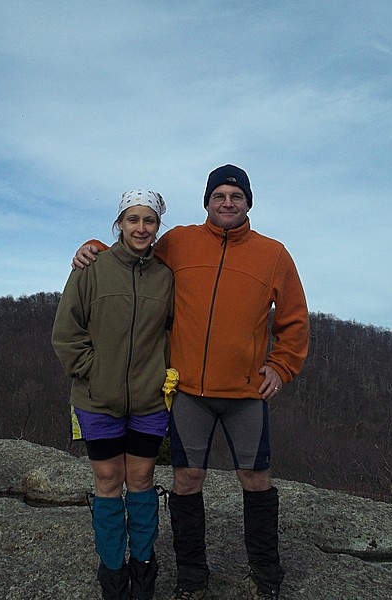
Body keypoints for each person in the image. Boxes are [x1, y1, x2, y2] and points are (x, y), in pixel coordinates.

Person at [73, 165, 310, 599]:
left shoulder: (274, 253)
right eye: (218, 195)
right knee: (186, 482)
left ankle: (266, 573)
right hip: (189, 394)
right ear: (207, 202)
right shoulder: (180, 240)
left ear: (248, 203)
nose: (227, 203)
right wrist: (93, 248)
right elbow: (133, 252)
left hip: (245, 393)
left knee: (256, 480)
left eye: (235, 197)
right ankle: (191, 576)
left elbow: (294, 319)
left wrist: (281, 365)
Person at [52, 189, 175, 600]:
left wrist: (164, 372)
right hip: (96, 400)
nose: (141, 228)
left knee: (141, 479)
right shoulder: (91, 268)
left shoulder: (166, 276)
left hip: (149, 401)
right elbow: (66, 332)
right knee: (107, 480)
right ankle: (112, 572)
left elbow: (176, 332)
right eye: (133, 219)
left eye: (150, 220)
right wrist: (93, 373)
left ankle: (143, 570)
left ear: (158, 226)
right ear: (119, 224)